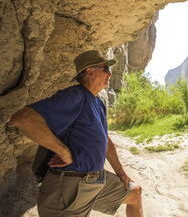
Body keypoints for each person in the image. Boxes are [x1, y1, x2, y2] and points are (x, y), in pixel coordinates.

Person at [9, 50, 143, 217]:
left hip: (95, 182)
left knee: (135, 193)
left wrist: (121, 173)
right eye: (105, 69)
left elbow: (105, 140)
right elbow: (22, 119)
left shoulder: (98, 103)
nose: (109, 74)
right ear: (90, 71)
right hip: (69, 187)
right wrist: (63, 151)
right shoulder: (75, 95)